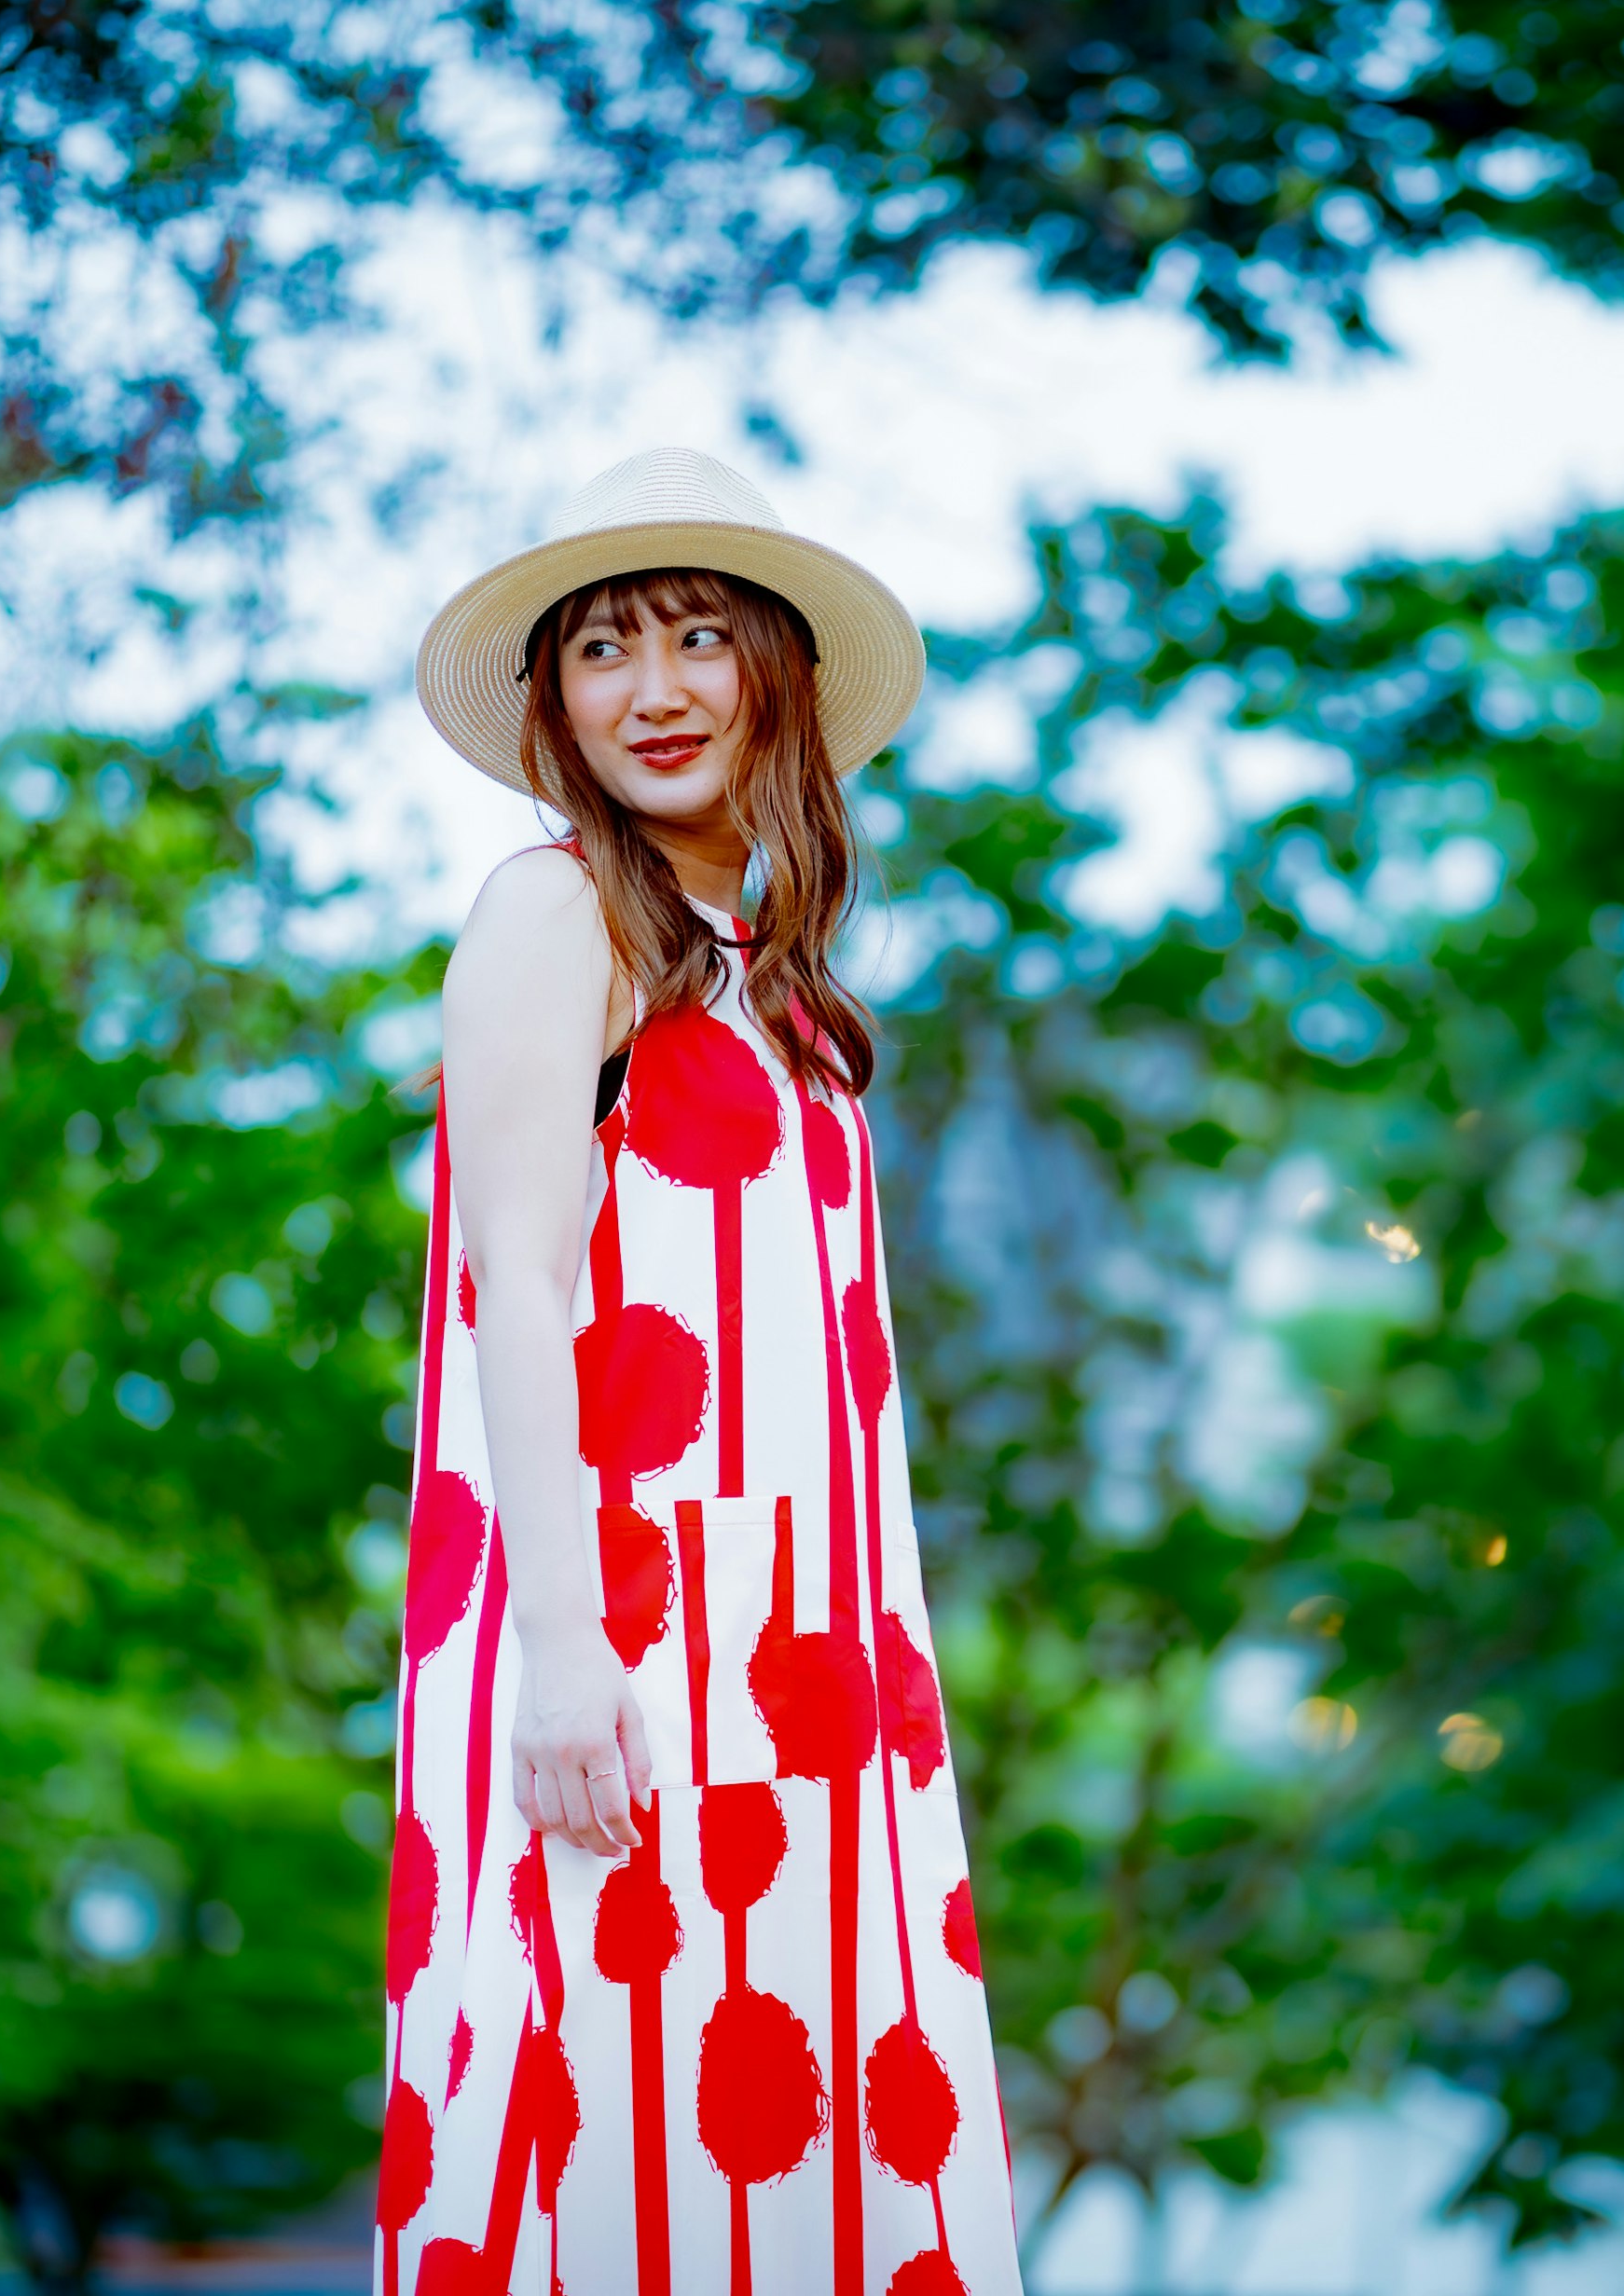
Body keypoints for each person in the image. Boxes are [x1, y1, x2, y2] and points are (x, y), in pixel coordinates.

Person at [376, 447, 1018, 2296]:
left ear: (775, 678)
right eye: (602, 648)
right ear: (556, 700)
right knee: (605, 2123)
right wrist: (568, 1652)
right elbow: (517, 1284)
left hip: (808, 1667)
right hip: (627, 1649)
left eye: (697, 637)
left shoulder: (784, 988)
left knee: (803, 2156)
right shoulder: (551, 910)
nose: (652, 689)